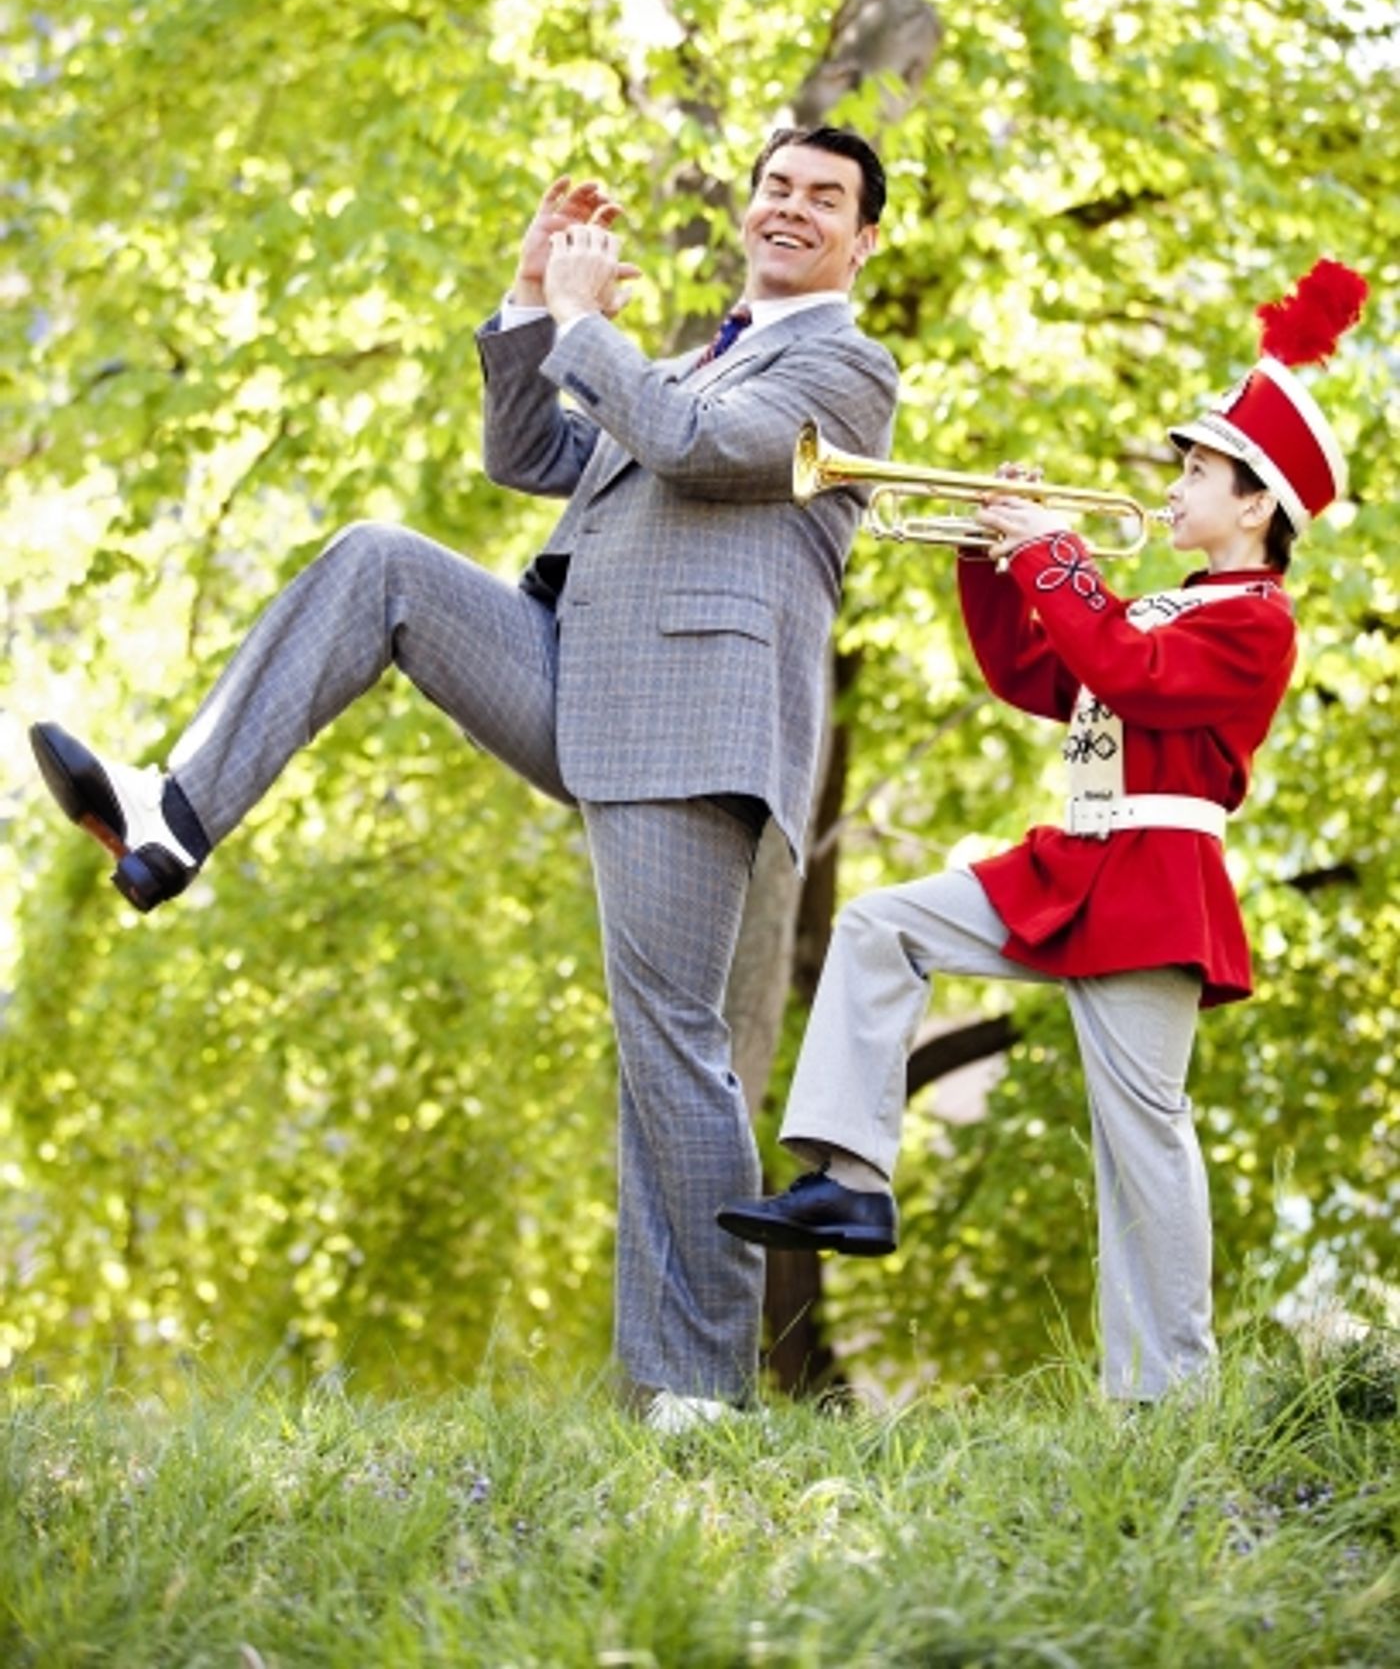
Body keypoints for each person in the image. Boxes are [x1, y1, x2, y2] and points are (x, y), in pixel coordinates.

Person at [29, 125, 900, 1429]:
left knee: (671, 1047)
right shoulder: (690, 357)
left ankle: (698, 1393)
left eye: (823, 197)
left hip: (692, 720)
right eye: (777, 184)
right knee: (381, 557)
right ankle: (174, 811)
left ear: (862, 239)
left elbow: (693, 444)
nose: (790, 207)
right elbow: (529, 456)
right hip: (576, 667)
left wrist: (577, 323)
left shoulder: (844, 364)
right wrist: (524, 303)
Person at [718, 259, 1368, 1403]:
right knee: (879, 927)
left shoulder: (1256, 622)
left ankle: (1163, 1396)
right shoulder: (1165, 599)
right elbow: (1042, 670)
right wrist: (987, 553)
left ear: (1255, 503)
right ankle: (849, 1175)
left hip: (1155, 882)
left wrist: (1048, 548)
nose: (1171, 486)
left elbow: (1125, 668)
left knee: (1140, 1146)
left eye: (1195, 470)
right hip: (1071, 862)